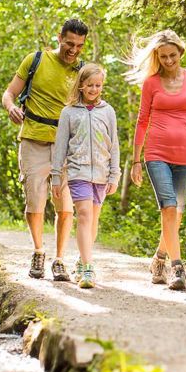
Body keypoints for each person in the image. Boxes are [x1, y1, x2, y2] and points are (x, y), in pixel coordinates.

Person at [1, 18, 88, 281]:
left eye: (79, 46)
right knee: (35, 201)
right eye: (69, 43)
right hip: (33, 139)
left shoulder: (83, 72)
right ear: (59, 37)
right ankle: (39, 251)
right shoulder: (35, 60)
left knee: (66, 206)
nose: (73, 50)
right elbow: (9, 93)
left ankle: (60, 259)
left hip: (67, 145)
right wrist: (11, 108)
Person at [128, 30, 186, 290]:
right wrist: (136, 160)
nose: (168, 60)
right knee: (169, 207)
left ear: (180, 52)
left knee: (178, 214)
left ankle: (159, 257)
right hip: (157, 153)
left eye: (172, 55)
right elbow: (142, 121)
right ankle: (177, 268)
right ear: (157, 56)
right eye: (163, 56)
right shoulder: (151, 83)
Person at [50, 63, 120, 289]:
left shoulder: (108, 111)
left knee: (93, 221)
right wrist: (56, 177)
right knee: (84, 215)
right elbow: (60, 147)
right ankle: (89, 268)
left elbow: (114, 146)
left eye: (98, 85)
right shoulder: (69, 112)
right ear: (81, 85)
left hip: (101, 173)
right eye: (90, 85)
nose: (94, 89)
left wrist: (114, 175)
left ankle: (82, 260)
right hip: (77, 172)